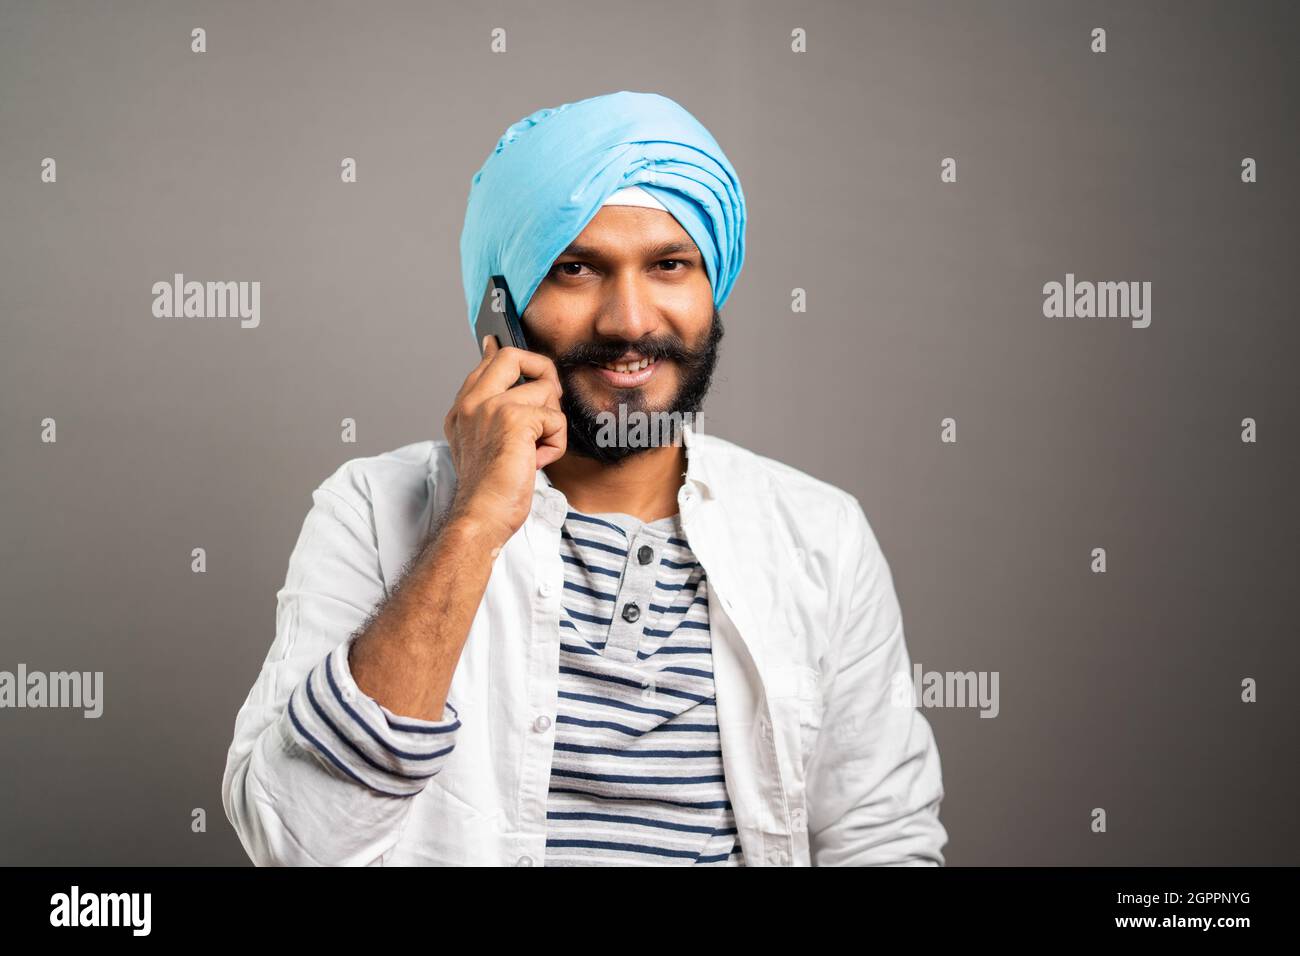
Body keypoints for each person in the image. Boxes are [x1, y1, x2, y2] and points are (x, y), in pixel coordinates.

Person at [221, 90, 948, 866]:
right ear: (499, 313)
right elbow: (295, 843)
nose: (630, 320)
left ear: (713, 287)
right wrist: (472, 527)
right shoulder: (369, 511)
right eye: (576, 268)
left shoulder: (820, 535)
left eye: (670, 264)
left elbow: (883, 843)